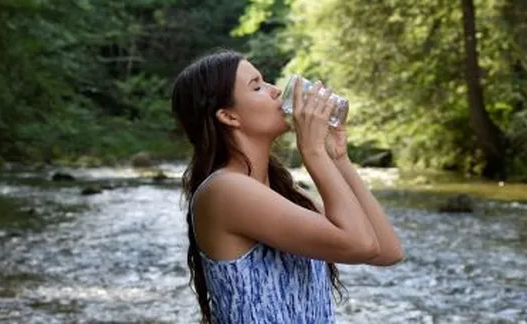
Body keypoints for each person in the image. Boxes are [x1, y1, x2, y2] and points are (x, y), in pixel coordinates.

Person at [170, 50, 404, 324]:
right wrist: (313, 151)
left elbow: (387, 250)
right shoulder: (226, 190)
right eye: (257, 86)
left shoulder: (281, 192)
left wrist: (338, 158)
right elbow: (360, 244)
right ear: (229, 116)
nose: (275, 91)